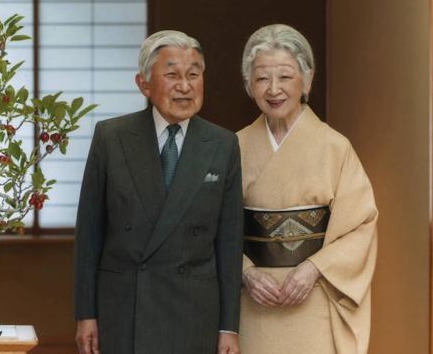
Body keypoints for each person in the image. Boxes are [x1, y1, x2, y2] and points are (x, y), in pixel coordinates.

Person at [73, 30, 243, 354]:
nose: (185, 86)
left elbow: (230, 244)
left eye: (194, 75)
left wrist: (229, 327)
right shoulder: (111, 137)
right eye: (172, 75)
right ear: (144, 84)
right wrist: (85, 314)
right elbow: (89, 235)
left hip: (194, 312)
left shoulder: (223, 144)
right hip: (125, 308)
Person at [237, 24, 378, 354]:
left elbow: (361, 226)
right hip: (255, 301)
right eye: (261, 78)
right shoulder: (234, 147)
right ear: (248, 85)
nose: (274, 89)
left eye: (285, 77)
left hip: (314, 297)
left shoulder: (335, 147)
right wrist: (245, 272)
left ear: (307, 79)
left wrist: (315, 268)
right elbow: (211, 227)